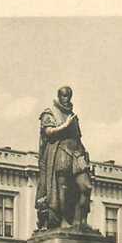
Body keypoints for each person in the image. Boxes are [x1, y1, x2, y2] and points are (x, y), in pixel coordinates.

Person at [36, 86, 93, 230]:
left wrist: (85, 155)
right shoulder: (49, 113)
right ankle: (64, 221)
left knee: (86, 186)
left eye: (69, 96)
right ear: (59, 96)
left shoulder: (73, 115)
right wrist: (65, 125)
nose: (67, 99)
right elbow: (48, 132)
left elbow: (78, 137)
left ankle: (81, 221)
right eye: (64, 96)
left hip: (76, 152)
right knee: (63, 188)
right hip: (60, 151)